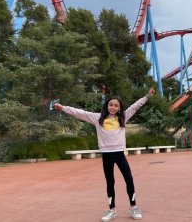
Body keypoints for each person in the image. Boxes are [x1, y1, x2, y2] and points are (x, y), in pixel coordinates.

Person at [54, 87, 155, 221]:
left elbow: (135, 106)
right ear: (107, 106)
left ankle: (133, 207)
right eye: (111, 105)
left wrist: (147, 96)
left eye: (116, 106)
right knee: (110, 182)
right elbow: (80, 113)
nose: (113, 107)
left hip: (119, 154)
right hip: (106, 154)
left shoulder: (123, 117)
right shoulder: (97, 118)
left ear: (119, 108)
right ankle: (111, 209)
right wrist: (64, 108)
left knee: (129, 179)